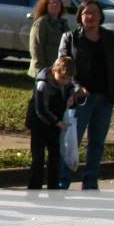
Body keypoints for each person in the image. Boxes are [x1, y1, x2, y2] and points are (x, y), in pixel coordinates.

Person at [59, 0, 114, 189]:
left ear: (101, 16)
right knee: (72, 141)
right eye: (86, 13)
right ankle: (63, 181)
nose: (90, 17)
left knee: (97, 142)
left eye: (94, 13)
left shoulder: (111, 38)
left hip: (105, 98)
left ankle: (90, 181)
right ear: (80, 16)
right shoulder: (71, 38)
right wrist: (75, 87)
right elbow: (62, 68)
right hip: (80, 99)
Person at [26, 56, 83, 190]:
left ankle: (53, 187)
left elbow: (71, 94)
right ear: (53, 71)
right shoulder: (43, 84)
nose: (65, 81)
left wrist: (72, 100)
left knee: (55, 157)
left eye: (68, 79)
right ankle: (34, 188)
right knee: (38, 159)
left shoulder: (67, 85)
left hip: (55, 126)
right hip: (39, 125)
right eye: (63, 78)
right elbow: (41, 109)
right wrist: (57, 122)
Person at [28, 0, 69, 78]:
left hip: (58, 70)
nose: (55, 5)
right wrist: (42, 70)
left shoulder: (63, 24)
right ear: (46, 6)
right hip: (44, 70)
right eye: (52, 3)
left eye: (58, 3)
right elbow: (35, 47)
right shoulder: (41, 22)